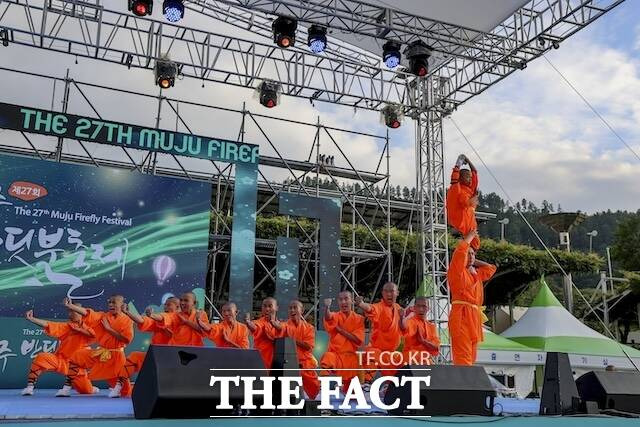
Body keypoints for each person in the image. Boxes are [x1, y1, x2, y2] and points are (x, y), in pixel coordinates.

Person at [62, 295, 134, 398]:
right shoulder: (103, 316)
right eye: (109, 302)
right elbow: (88, 313)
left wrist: (109, 329)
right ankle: (66, 388)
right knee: (78, 356)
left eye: (114, 302)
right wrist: (71, 306)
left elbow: (126, 339)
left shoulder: (127, 320)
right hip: (101, 354)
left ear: (122, 305)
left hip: (116, 357)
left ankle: (131, 387)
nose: (110, 305)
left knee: (126, 392)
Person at [21, 306, 98, 396]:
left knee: (86, 391)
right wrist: (32, 319)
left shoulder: (91, 327)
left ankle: (91, 388)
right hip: (61, 360)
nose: (70, 314)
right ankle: (29, 388)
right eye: (69, 312)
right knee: (41, 357)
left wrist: (80, 329)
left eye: (74, 311)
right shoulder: (67, 327)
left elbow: (93, 335)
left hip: (76, 367)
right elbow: (48, 324)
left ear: (81, 313)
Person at [447, 230, 497, 365]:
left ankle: (467, 382)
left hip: (474, 317)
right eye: (467, 254)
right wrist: (469, 238)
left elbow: (491, 268)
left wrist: (473, 260)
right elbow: (459, 254)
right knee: (463, 357)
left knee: (472, 357)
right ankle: (463, 383)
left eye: (473, 254)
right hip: (462, 315)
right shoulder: (457, 271)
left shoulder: (476, 274)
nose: (470, 256)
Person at [355, 282, 404, 384]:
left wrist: (403, 317)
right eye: (386, 291)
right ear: (382, 293)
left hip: (391, 354)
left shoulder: (399, 308)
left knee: (395, 380)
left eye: (391, 291)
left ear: (397, 293)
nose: (389, 294)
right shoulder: (379, 307)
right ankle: (364, 384)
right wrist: (361, 304)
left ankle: (390, 387)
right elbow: (371, 309)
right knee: (371, 355)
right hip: (376, 350)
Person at [122, 297, 179, 377]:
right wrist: (127, 312)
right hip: (156, 357)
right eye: (165, 304)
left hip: (174, 360)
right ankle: (120, 384)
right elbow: (142, 320)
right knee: (134, 357)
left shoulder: (177, 319)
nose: (165, 306)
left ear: (178, 307)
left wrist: (152, 315)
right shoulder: (160, 319)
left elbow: (164, 318)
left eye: (168, 305)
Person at [320, 291, 365, 392]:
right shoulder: (336, 316)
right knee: (327, 359)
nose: (343, 301)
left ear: (351, 301)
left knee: (352, 395)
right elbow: (328, 318)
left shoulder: (359, 319)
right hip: (335, 355)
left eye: (346, 298)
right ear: (338, 302)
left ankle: (345, 388)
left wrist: (340, 330)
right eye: (341, 299)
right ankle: (325, 391)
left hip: (351, 357)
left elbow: (358, 340)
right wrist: (327, 307)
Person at [275, 300, 320, 400]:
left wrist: (292, 340)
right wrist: (274, 324)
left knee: (314, 388)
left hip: (305, 363)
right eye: (290, 308)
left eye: (295, 307)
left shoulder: (309, 328)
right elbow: (279, 328)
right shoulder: (285, 325)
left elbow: (308, 346)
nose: (292, 310)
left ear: (302, 310)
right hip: (289, 364)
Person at [446, 154, 480, 250]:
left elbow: (475, 172)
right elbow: (454, 176)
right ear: (460, 178)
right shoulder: (456, 189)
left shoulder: (470, 190)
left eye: (470, 177)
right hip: (460, 226)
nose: (470, 179)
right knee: (462, 250)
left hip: (469, 228)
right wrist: (459, 163)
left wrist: (468, 160)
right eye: (467, 177)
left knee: (474, 248)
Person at [245, 297, 284, 370]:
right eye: (264, 306)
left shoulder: (282, 324)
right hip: (261, 361)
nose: (267, 309)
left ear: (277, 308)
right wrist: (248, 323)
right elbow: (255, 328)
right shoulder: (258, 322)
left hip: (278, 363)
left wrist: (274, 324)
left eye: (270, 306)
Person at [400, 297, 440, 366]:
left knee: (430, 363)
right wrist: (403, 317)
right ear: (414, 308)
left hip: (425, 359)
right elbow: (403, 326)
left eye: (424, 306)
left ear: (428, 308)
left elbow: (436, 347)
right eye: (418, 306)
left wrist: (423, 341)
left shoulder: (431, 326)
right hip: (410, 357)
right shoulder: (410, 321)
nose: (421, 309)